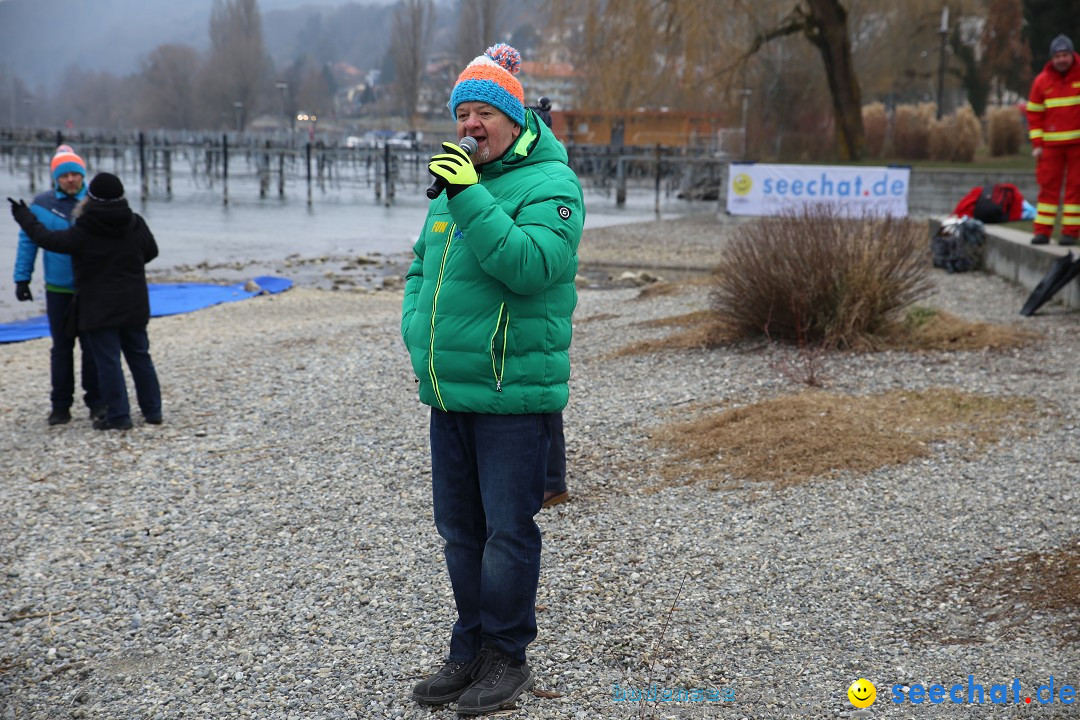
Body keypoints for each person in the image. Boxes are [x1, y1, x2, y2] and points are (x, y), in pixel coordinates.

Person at [402, 43, 584, 715]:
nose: (470, 125)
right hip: (450, 390)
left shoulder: (552, 186)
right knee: (459, 533)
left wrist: (471, 196)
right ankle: (470, 648)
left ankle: (506, 658)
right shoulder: (456, 186)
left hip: (513, 392)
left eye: (484, 113)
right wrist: (416, 336)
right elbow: (421, 267)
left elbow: (533, 268)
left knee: (508, 532)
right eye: (463, 113)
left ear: (515, 121)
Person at [9, 172, 162, 431]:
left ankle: (119, 416)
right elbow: (151, 251)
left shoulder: (86, 228)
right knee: (139, 356)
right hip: (134, 302)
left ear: (90, 198)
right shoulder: (135, 222)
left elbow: (48, 239)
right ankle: (153, 411)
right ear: (121, 196)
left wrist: (25, 217)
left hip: (98, 307)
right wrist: (128, 265)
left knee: (108, 361)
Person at [12, 145, 103, 425]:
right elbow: (28, 241)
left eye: (76, 174)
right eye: (65, 176)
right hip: (58, 289)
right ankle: (60, 405)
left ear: (83, 175)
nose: (71, 180)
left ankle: (96, 402)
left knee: (92, 348)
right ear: (56, 178)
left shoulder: (96, 201)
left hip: (90, 288)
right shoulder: (41, 205)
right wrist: (22, 278)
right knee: (62, 348)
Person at [1026, 34, 1080, 246]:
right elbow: (1034, 114)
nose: (1062, 60)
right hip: (1050, 147)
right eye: (1058, 56)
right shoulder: (1042, 81)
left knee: (1076, 190)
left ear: (1072, 55)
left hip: (1078, 145)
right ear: (1052, 58)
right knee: (1047, 188)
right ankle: (1042, 232)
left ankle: (1070, 233)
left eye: (1065, 55)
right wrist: (1037, 145)